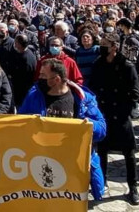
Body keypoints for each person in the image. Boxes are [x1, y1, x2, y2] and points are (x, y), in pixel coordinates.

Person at [19, 58, 106, 201]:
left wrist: (87, 124)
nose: (39, 78)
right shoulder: (34, 95)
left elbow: (102, 129)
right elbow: (19, 121)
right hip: (43, 165)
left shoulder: (82, 98)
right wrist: (30, 121)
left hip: (72, 168)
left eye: (43, 76)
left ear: (56, 79)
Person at [88, 33, 139, 205]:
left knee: (129, 153)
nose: (102, 47)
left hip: (121, 115)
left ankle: (133, 187)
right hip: (104, 114)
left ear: (114, 47)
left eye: (105, 44)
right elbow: (93, 87)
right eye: (101, 43)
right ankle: (101, 183)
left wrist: (124, 108)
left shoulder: (127, 66)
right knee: (102, 150)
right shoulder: (98, 63)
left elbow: (135, 93)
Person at [7, 34, 37, 108]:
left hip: (23, 91)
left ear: (19, 44)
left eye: (16, 42)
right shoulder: (22, 53)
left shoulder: (26, 58)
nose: (14, 44)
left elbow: (24, 76)